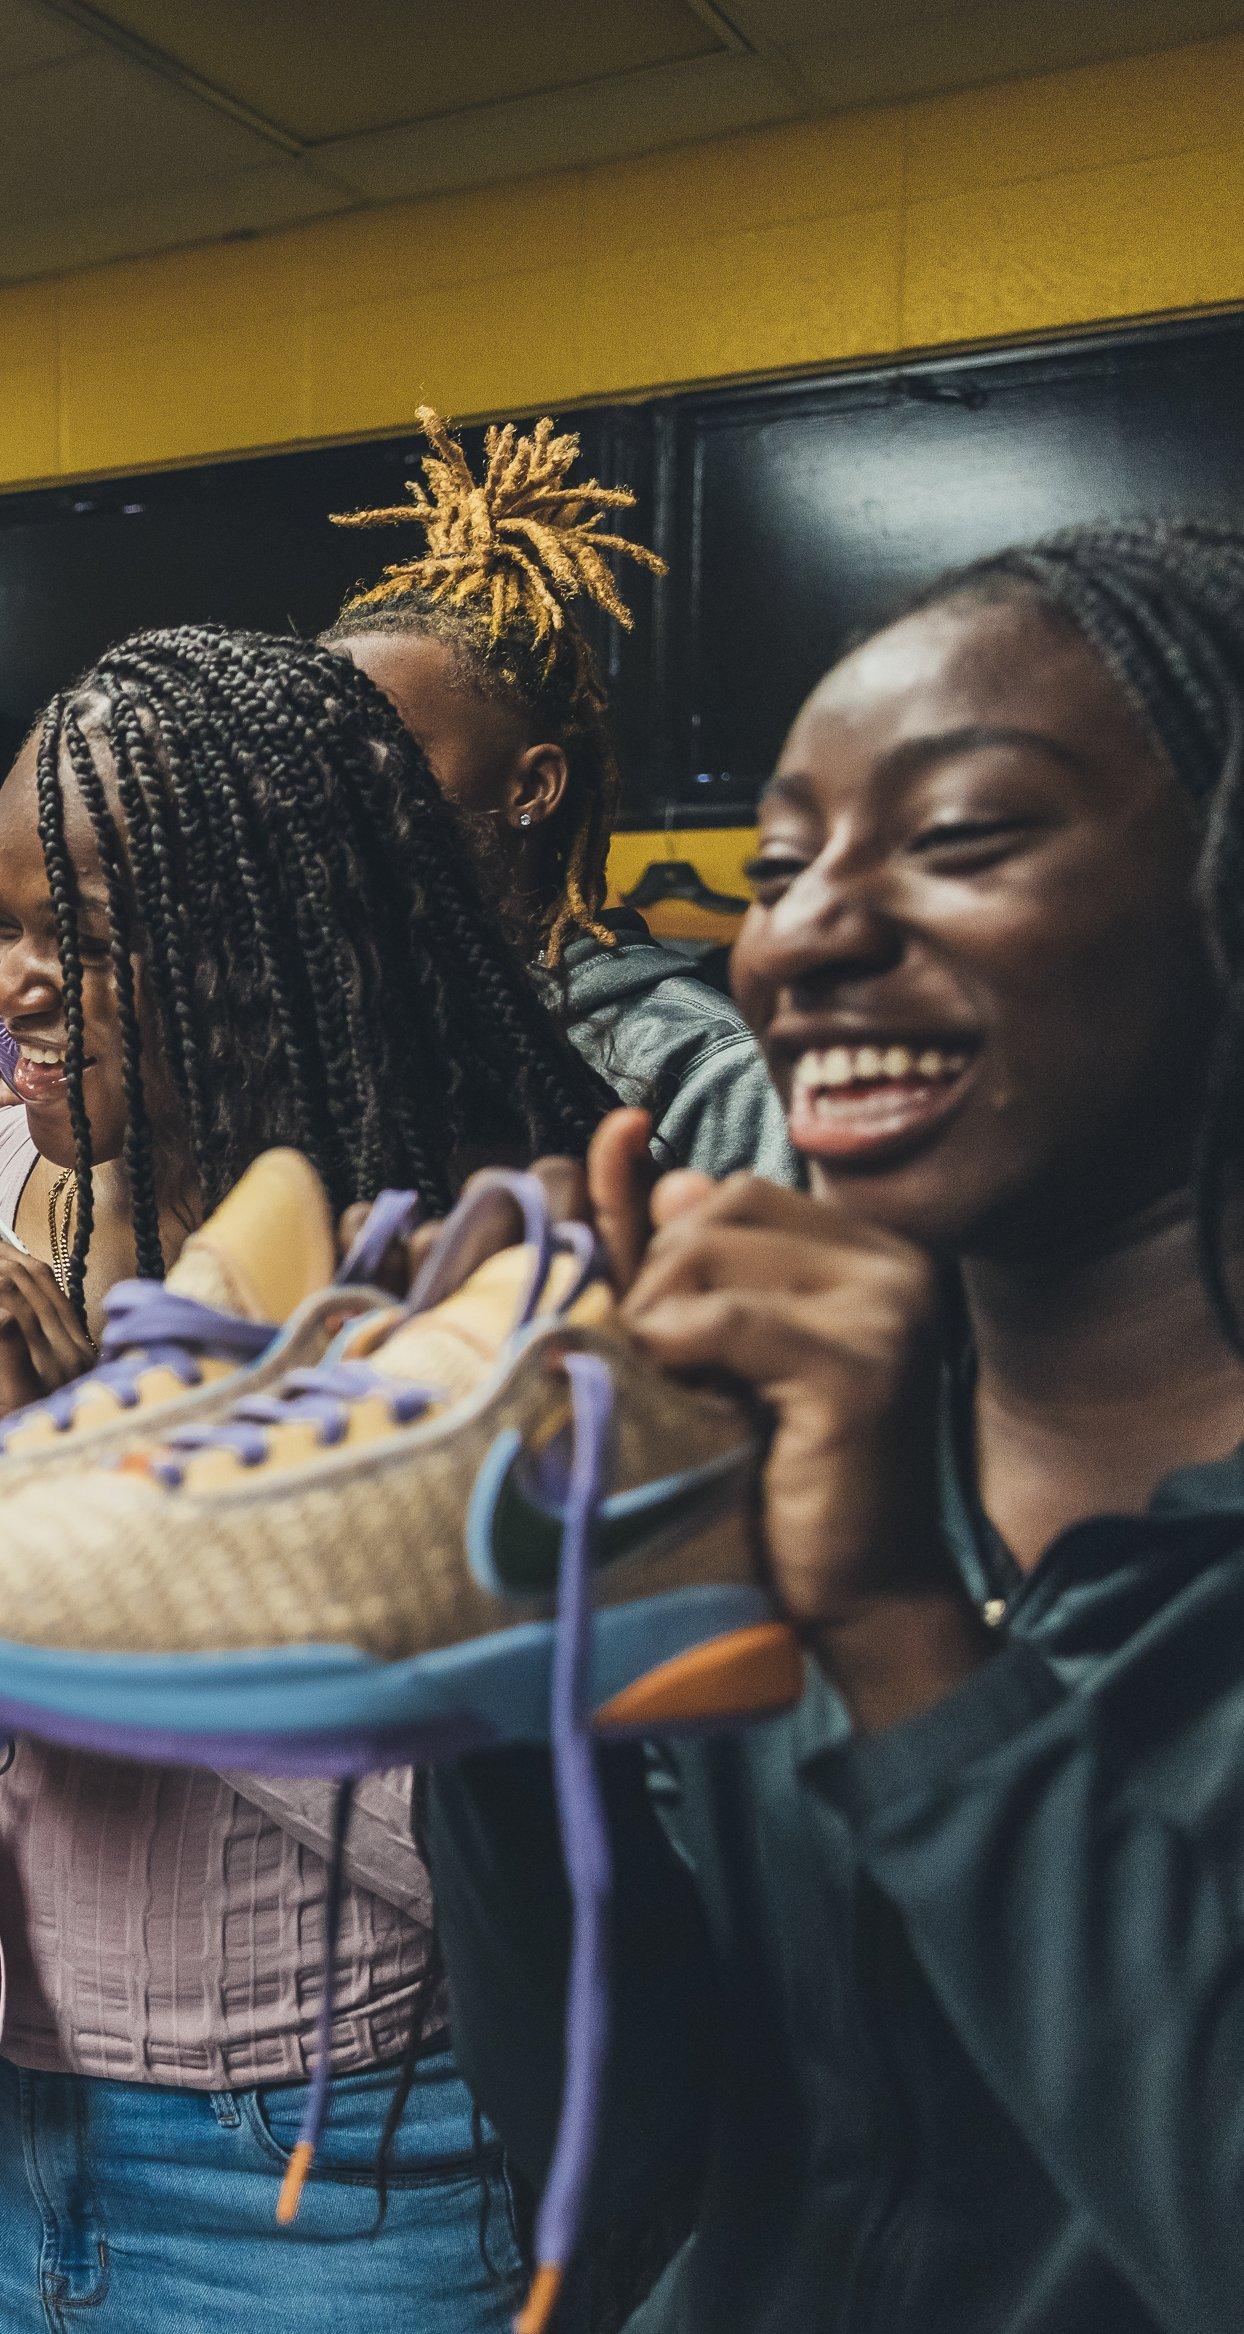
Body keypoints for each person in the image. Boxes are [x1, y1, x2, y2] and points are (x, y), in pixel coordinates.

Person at [0, 629, 607, 2331]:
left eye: (80, 930)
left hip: (313, 2178)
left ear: (282, 931)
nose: (10, 978)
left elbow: (493, 1849)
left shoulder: (474, 1266)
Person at [423, 520, 1244, 2333]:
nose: (806, 932)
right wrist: (491, 1666)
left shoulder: (854, 1505)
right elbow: (624, 2132)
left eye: (959, 837)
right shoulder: (785, 1442)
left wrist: (901, 1634)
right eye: (783, 864)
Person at [325, 407, 797, 1183]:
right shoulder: (336, 1028)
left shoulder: (704, 1072)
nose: (339, 791)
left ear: (534, 788)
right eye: (319, 755)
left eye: (387, 753)